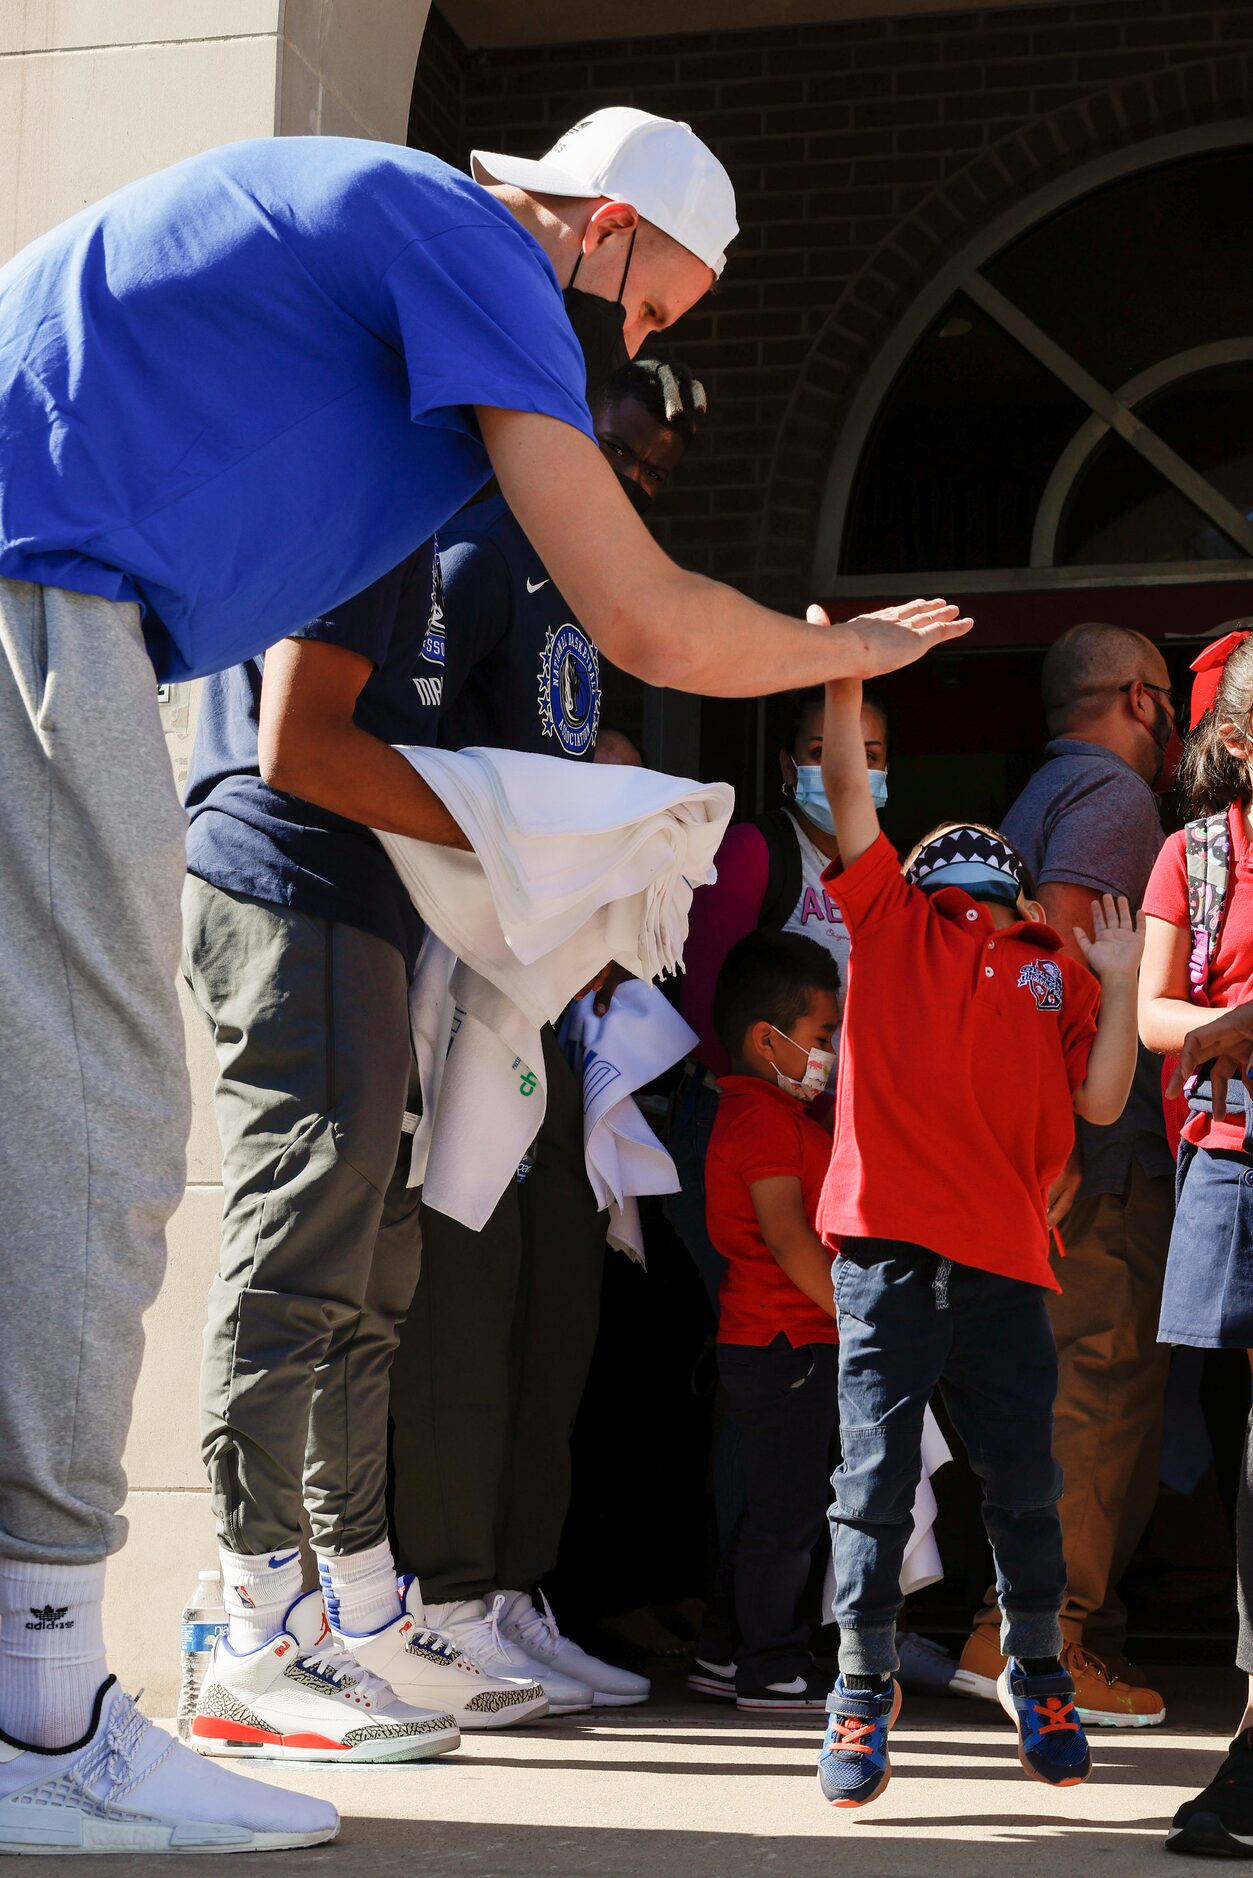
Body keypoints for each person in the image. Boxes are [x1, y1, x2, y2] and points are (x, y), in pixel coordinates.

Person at [0, 102, 972, 1854]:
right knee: (104, 1137)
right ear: (601, 230)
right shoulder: (470, 243)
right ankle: (42, 1705)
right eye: (658, 310)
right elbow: (652, 622)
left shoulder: (394, 272)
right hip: (40, 606)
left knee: (70, 1141)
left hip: (67, 609)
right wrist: (848, 651)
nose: (639, 355)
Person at [386, 360, 708, 1714]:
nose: (636, 490)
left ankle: (515, 1590)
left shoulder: (594, 592)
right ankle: (446, 1594)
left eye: (653, 479)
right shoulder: (472, 549)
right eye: (623, 459)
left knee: (551, 1311)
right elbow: (407, 760)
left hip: (560, 995)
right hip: (462, 975)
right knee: (464, 1311)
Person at [812, 668, 1145, 1809]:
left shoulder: (1053, 966)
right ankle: (860, 1688)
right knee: (873, 1482)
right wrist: (843, 675)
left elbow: (1098, 1106)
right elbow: (851, 798)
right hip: (889, 1255)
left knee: (1020, 1484)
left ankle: (1036, 1671)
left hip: (1003, 1260)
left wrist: (1116, 976)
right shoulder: (893, 924)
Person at [956, 622, 1176, 1727]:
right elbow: (1053, 963)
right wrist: (1055, 1142)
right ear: (1140, 700)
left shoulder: (1028, 800)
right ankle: (1035, 1640)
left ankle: (1042, 1629)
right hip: (1090, 1154)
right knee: (1094, 1388)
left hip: (1034, 1151)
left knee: (1047, 1391)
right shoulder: (1116, 801)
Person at [1138, 629, 1253, 1858]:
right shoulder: (1193, 858)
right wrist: (1236, 1020)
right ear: (1237, 742)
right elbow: (1152, 1012)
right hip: (1232, 1172)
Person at [671, 686, 891, 1311]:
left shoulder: (889, 875)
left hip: (846, 1148)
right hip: (750, 1139)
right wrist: (809, 1119)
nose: (848, 767)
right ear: (789, 767)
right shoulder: (752, 854)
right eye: (824, 751)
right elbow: (710, 1020)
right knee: (772, 1337)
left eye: (867, 753)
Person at [704, 931, 841, 1712]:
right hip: (786, 1340)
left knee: (770, 1508)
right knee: (786, 1517)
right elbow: (787, 1236)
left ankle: (725, 1652)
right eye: (821, 1036)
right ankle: (770, 1665)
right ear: (769, 1041)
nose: (828, 1052)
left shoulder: (776, 1115)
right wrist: (855, 1322)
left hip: (780, 1339)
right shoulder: (761, 1119)